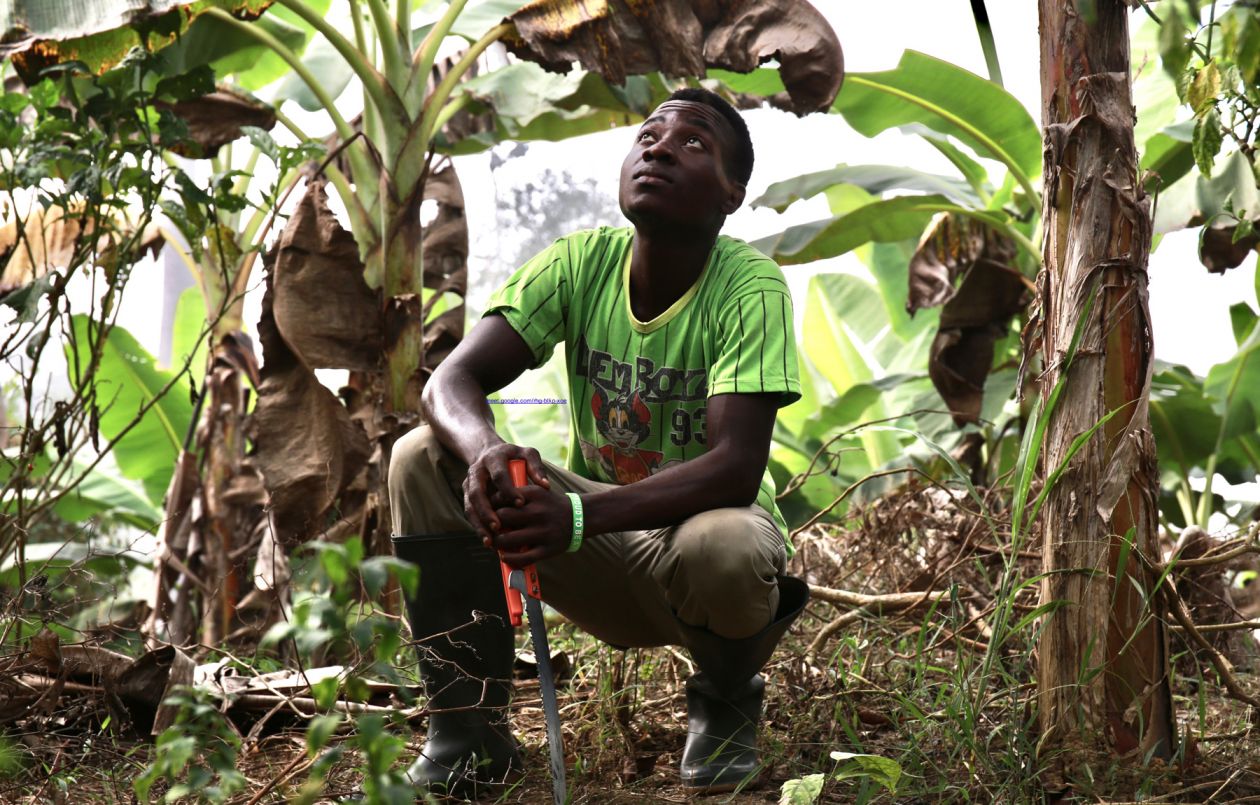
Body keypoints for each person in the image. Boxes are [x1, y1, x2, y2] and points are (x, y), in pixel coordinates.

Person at [388, 87, 809, 797]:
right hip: (596, 547)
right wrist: (488, 449)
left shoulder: (750, 288)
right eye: (649, 135)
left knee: (727, 544)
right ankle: (469, 730)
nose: (661, 147)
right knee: (421, 456)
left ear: (732, 194)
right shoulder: (580, 263)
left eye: (695, 142)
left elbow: (736, 467)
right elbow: (449, 382)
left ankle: (726, 701)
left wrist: (578, 516)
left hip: (687, 556)